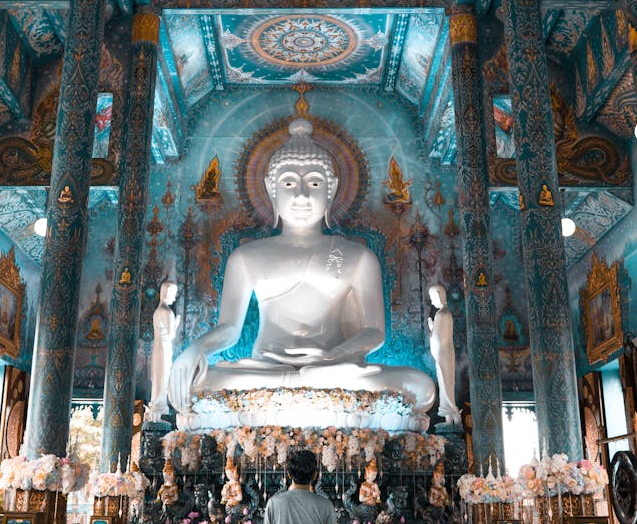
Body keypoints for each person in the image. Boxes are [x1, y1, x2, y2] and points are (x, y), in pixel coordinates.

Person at [170, 118, 436, 430]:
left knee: (421, 387)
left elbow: (374, 332)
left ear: (331, 190)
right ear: (271, 190)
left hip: (334, 368)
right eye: (287, 184)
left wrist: (332, 358)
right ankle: (301, 383)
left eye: (313, 184)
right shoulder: (246, 256)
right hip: (265, 369)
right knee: (192, 385)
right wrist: (195, 349)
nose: (301, 196)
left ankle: (303, 383)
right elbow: (229, 328)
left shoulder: (358, 256)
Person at [428, 284, 462, 425]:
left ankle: (453, 412)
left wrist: (431, 327)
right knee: (446, 384)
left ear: (438, 295)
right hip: (446, 352)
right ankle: (449, 418)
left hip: (442, 353)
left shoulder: (441, 314)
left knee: (446, 384)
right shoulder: (445, 313)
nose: (431, 302)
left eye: (432, 298)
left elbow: (436, 338)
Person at [147, 279, 179, 420]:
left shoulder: (158, 311)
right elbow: (171, 335)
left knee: (158, 375)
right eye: (173, 293)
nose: (174, 297)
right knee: (164, 375)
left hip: (157, 347)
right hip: (165, 348)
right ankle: (159, 404)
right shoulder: (167, 312)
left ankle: (157, 402)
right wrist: (176, 323)